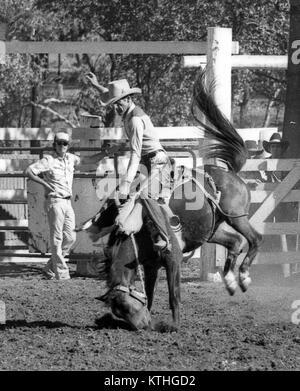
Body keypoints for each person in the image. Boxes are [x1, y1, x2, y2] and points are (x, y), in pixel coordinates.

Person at [86, 73, 176, 251]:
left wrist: (127, 181)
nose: (116, 108)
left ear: (128, 100)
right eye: (114, 104)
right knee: (123, 195)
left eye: (119, 103)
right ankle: (108, 228)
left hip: (157, 162)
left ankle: (165, 237)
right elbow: (109, 94)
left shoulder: (134, 119)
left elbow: (135, 153)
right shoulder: (128, 112)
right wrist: (96, 85)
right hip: (146, 162)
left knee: (145, 196)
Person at [24, 130, 108, 280]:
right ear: (54, 144)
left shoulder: (71, 159)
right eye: (60, 143)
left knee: (70, 237)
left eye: (65, 143)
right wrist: (44, 184)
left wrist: (106, 152)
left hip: (67, 202)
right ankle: (62, 273)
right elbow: (29, 171)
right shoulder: (48, 160)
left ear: (68, 145)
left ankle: (50, 267)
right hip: (55, 201)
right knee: (57, 238)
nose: (62, 145)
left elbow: (89, 161)